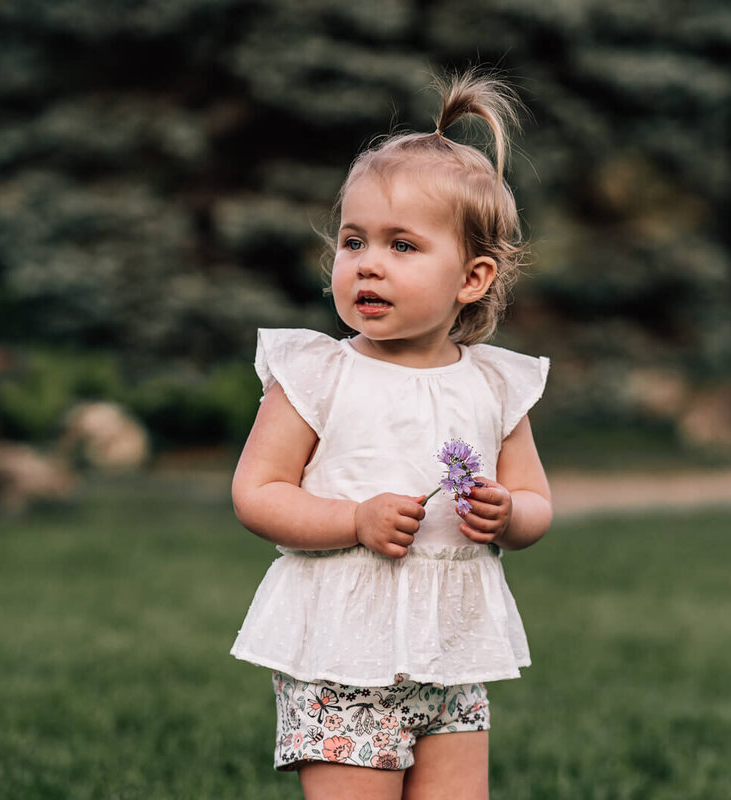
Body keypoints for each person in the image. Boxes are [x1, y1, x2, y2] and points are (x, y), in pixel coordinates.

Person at [230, 69, 553, 800]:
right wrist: (352, 518)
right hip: (344, 653)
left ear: (472, 277)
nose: (367, 262)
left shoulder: (495, 385)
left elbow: (536, 500)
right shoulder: (317, 375)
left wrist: (512, 513)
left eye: (402, 246)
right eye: (353, 241)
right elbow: (257, 492)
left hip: (452, 654)